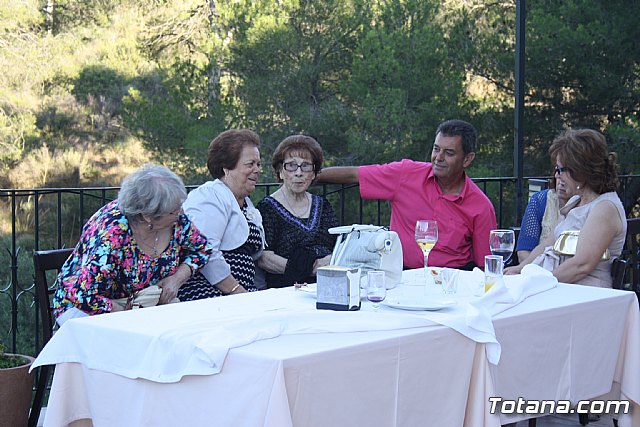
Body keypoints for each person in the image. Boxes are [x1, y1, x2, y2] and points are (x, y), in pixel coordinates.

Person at [316, 119, 497, 270]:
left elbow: (485, 265)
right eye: (436, 149)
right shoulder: (406, 174)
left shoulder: (480, 206)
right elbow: (354, 174)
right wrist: (304, 176)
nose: (438, 158)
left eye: (449, 153)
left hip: (450, 283)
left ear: (467, 159)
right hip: (398, 276)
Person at [53, 164, 212, 324]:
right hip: (90, 309)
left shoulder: (176, 220)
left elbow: (202, 249)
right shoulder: (112, 235)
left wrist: (177, 278)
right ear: (148, 216)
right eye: (174, 210)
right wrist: (125, 314)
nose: (182, 213)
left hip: (144, 304)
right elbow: (82, 295)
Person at [505, 129, 627, 287]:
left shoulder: (605, 208)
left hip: (586, 294)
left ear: (580, 170)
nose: (556, 175)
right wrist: (521, 269)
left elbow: (582, 265)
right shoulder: (576, 201)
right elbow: (546, 245)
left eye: (560, 170)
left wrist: (539, 283)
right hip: (561, 286)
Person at [179, 129, 265, 300]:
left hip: (243, 293)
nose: (257, 170)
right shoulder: (210, 196)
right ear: (227, 168)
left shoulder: (246, 204)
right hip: (210, 293)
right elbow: (205, 251)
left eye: (258, 164)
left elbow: (257, 258)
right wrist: (237, 291)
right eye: (250, 164)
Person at [256, 135, 338, 287]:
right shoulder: (267, 208)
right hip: (287, 287)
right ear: (280, 171)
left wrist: (328, 262)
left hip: (326, 284)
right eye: (291, 166)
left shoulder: (323, 205)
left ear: (313, 173)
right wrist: (305, 269)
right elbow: (264, 257)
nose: (299, 173)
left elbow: (337, 246)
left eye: (306, 166)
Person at [516, 177, 571, 261]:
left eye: (570, 173)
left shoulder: (591, 206)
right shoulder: (540, 200)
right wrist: (540, 272)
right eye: (558, 171)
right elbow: (523, 252)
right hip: (539, 269)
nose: (561, 180)